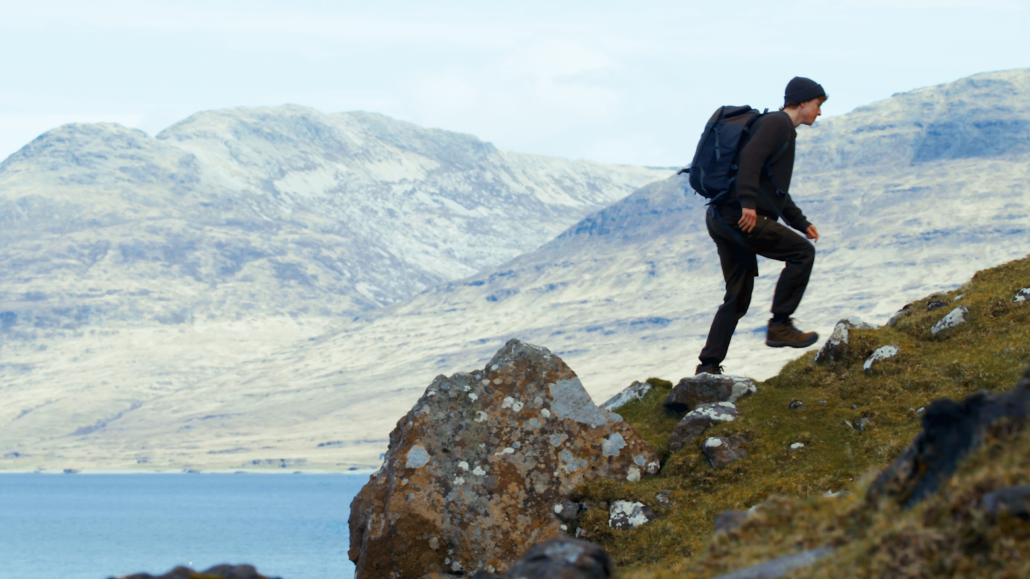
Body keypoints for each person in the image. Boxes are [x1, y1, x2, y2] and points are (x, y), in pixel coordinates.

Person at [695, 77, 827, 376]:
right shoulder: (777, 124)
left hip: (722, 216)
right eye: (818, 105)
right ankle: (780, 325)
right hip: (738, 216)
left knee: (737, 296)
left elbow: (774, 189)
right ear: (803, 102)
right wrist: (748, 204)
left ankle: (708, 366)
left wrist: (800, 221)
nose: (819, 112)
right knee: (802, 254)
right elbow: (750, 160)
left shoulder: (777, 127)